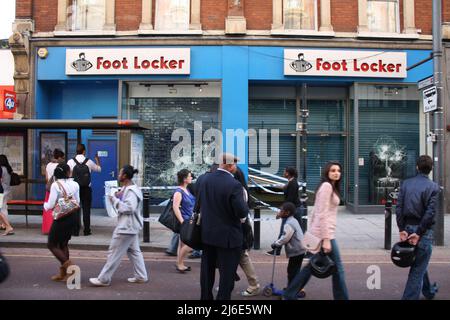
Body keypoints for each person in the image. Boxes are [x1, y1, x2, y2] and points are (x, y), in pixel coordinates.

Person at [283, 161, 349, 300]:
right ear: (327, 172)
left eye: (338, 170)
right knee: (338, 269)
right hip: (325, 235)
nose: (336, 172)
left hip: (321, 233)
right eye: (333, 170)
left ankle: (289, 294)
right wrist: (325, 239)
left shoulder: (331, 186)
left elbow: (315, 212)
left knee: (310, 268)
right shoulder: (326, 187)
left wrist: (312, 232)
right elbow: (322, 214)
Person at [198, 153, 249, 300]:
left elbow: (199, 202)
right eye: (235, 164)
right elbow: (241, 212)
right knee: (226, 276)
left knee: (207, 272)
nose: (236, 167)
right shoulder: (234, 185)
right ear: (229, 165)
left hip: (207, 234)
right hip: (228, 237)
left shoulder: (205, 180)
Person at [89, 165, 148, 286]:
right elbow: (126, 199)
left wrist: (114, 201)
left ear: (125, 176)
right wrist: (118, 195)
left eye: (120, 173)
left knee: (114, 253)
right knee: (134, 252)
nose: (118, 175)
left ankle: (104, 279)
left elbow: (129, 208)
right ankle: (141, 276)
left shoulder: (131, 191)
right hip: (131, 227)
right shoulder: (130, 188)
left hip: (126, 227)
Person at [396, 155, 440, 300]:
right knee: (418, 269)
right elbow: (430, 213)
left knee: (420, 264)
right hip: (424, 232)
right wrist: (420, 232)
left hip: (408, 228)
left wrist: (402, 228)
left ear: (416, 167)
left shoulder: (406, 184)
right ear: (431, 169)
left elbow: (399, 208)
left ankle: (429, 291)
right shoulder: (433, 187)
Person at [44, 163, 80, 281]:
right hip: (73, 216)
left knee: (52, 244)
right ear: (67, 172)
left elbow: (50, 205)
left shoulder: (55, 185)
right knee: (63, 243)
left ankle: (71, 269)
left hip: (61, 218)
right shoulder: (75, 184)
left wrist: (44, 205)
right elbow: (77, 201)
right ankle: (64, 274)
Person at [233, 166, 260, 297]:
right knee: (234, 256)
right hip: (240, 225)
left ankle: (254, 284)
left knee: (242, 256)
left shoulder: (239, 190)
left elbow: (240, 211)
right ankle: (227, 282)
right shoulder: (240, 188)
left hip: (240, 226)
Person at [67, 143, 101, 236]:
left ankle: (75, 231)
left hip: (74, 189)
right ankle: (86, 231)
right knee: (86, 210)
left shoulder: (70, 162)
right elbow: (99, 169)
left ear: (76, 151)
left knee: (75, 210)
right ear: (84, 151)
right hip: (86, 189)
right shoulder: (89, 161)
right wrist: (97, 161)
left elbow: (68, 174)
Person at [267, 166, 301, 256]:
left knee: (284, 230)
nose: (283, 173)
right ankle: (277, 250)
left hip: (291, 211)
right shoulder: (291, 182)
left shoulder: (293, 183)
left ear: (288, 173)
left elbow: (290, 199)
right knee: (294, 230)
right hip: (291, 210)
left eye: (285, 171)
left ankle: (277, 250)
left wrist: (282, 212)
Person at [271, 202, 306, 287]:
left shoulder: (289, 223)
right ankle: (296, 288)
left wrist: (276, 243)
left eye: (281, 211)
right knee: (295, 270)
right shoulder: (293, 220)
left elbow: (285, 237)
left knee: (292, 271)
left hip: (296, 250)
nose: (280, 212)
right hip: (300, 249)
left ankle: (292, 290)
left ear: (287, 213)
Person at [173, 169, 196, 273]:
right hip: (185, 221)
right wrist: (182, 221)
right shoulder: (178, 191)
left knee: (182, 244)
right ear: (184, 179)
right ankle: (179, 264)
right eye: (190, 176)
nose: (191, 178)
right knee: (191, 242)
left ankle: (180, 264)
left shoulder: (187, 189)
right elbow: (175, 207)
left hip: (189, 219)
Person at [43, 149, 65, 235]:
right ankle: (57, 229)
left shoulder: (48, 165)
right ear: (59, 157)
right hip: (58, 190)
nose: (63, 159)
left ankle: (47, 228)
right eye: (63, 157)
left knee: (48, 208)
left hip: (49, 190)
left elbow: (46, 178)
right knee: (58, 209)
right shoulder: (61, 166)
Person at [0, 155, 15, 236]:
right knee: (4, 207)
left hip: (2, 190)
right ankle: (5, 224)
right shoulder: (8, 169)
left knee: (2, 208)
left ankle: (5, 225)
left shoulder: (2, 169)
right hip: (7, 189)